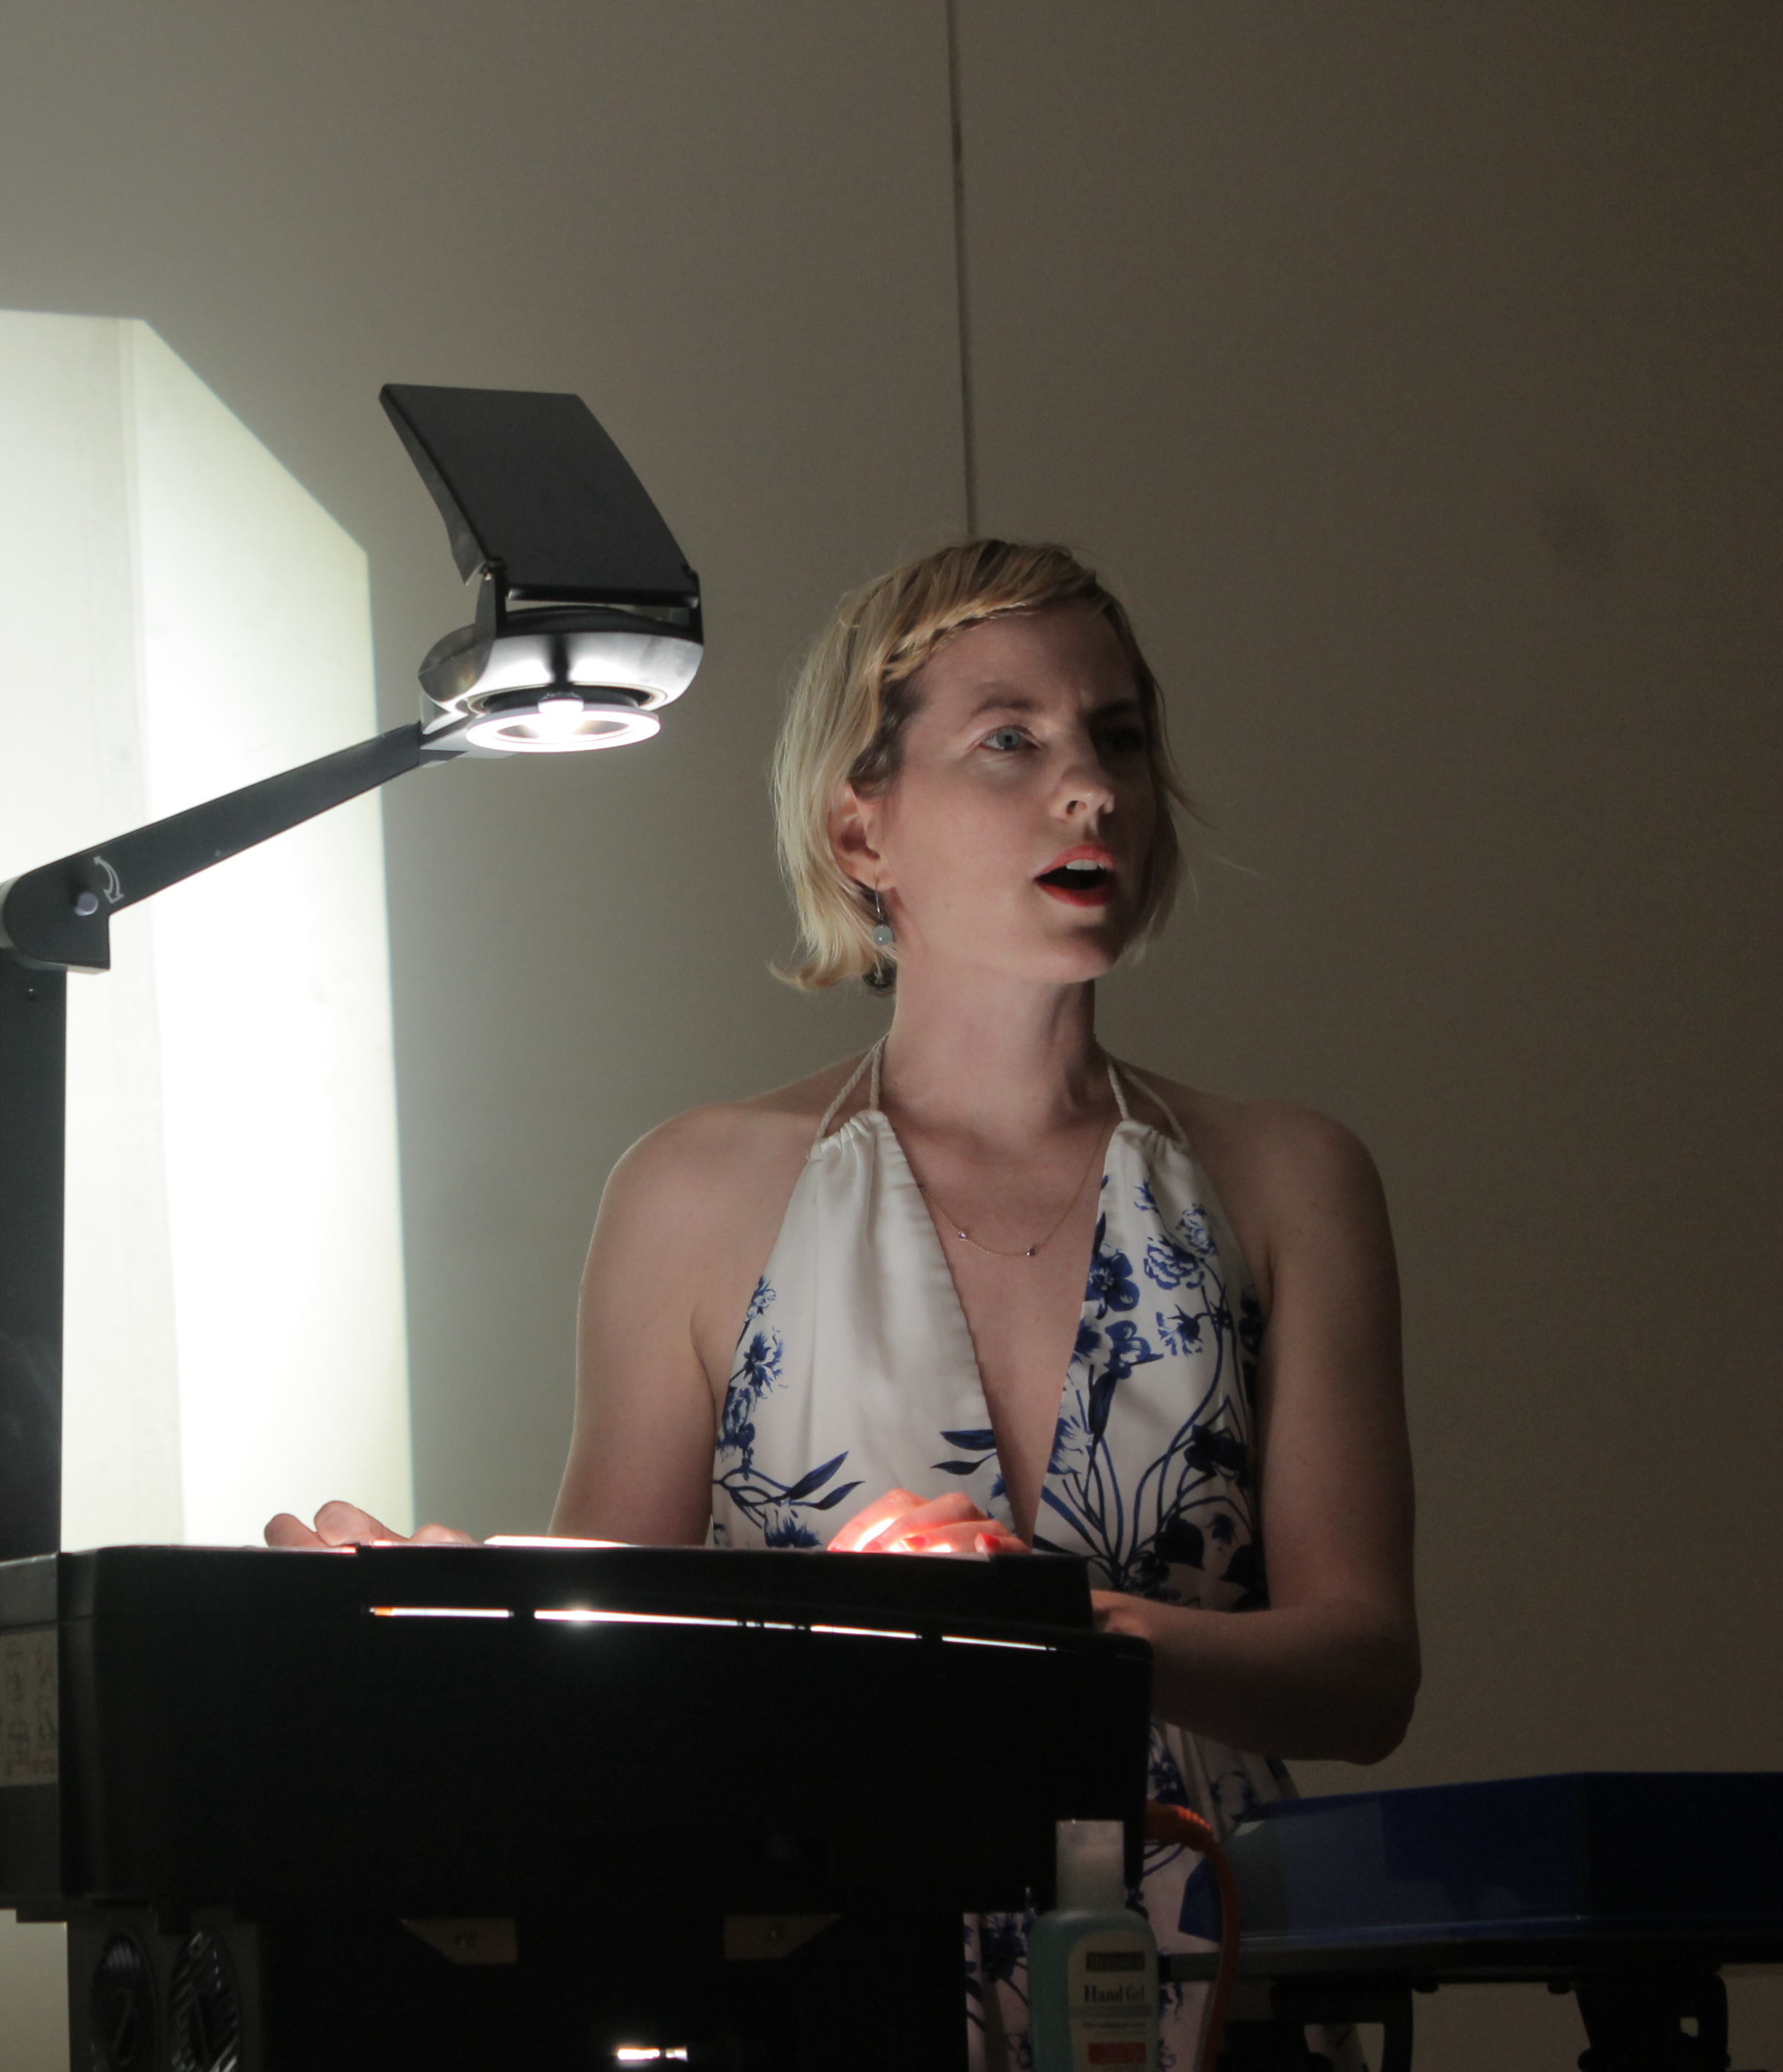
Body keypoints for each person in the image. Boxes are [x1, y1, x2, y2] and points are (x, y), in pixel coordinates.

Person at [269, 540, 1418, 2071]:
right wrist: (460, 1611)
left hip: (1215, 1994)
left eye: (1119, 737)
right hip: (821, 1982)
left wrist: (1058, 1626)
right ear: (859, 823)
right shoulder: (697, 1190)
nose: (1090, 790)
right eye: (1010, 740)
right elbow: (619, 1667)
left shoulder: (1288, 1178)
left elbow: (1365, 1671)